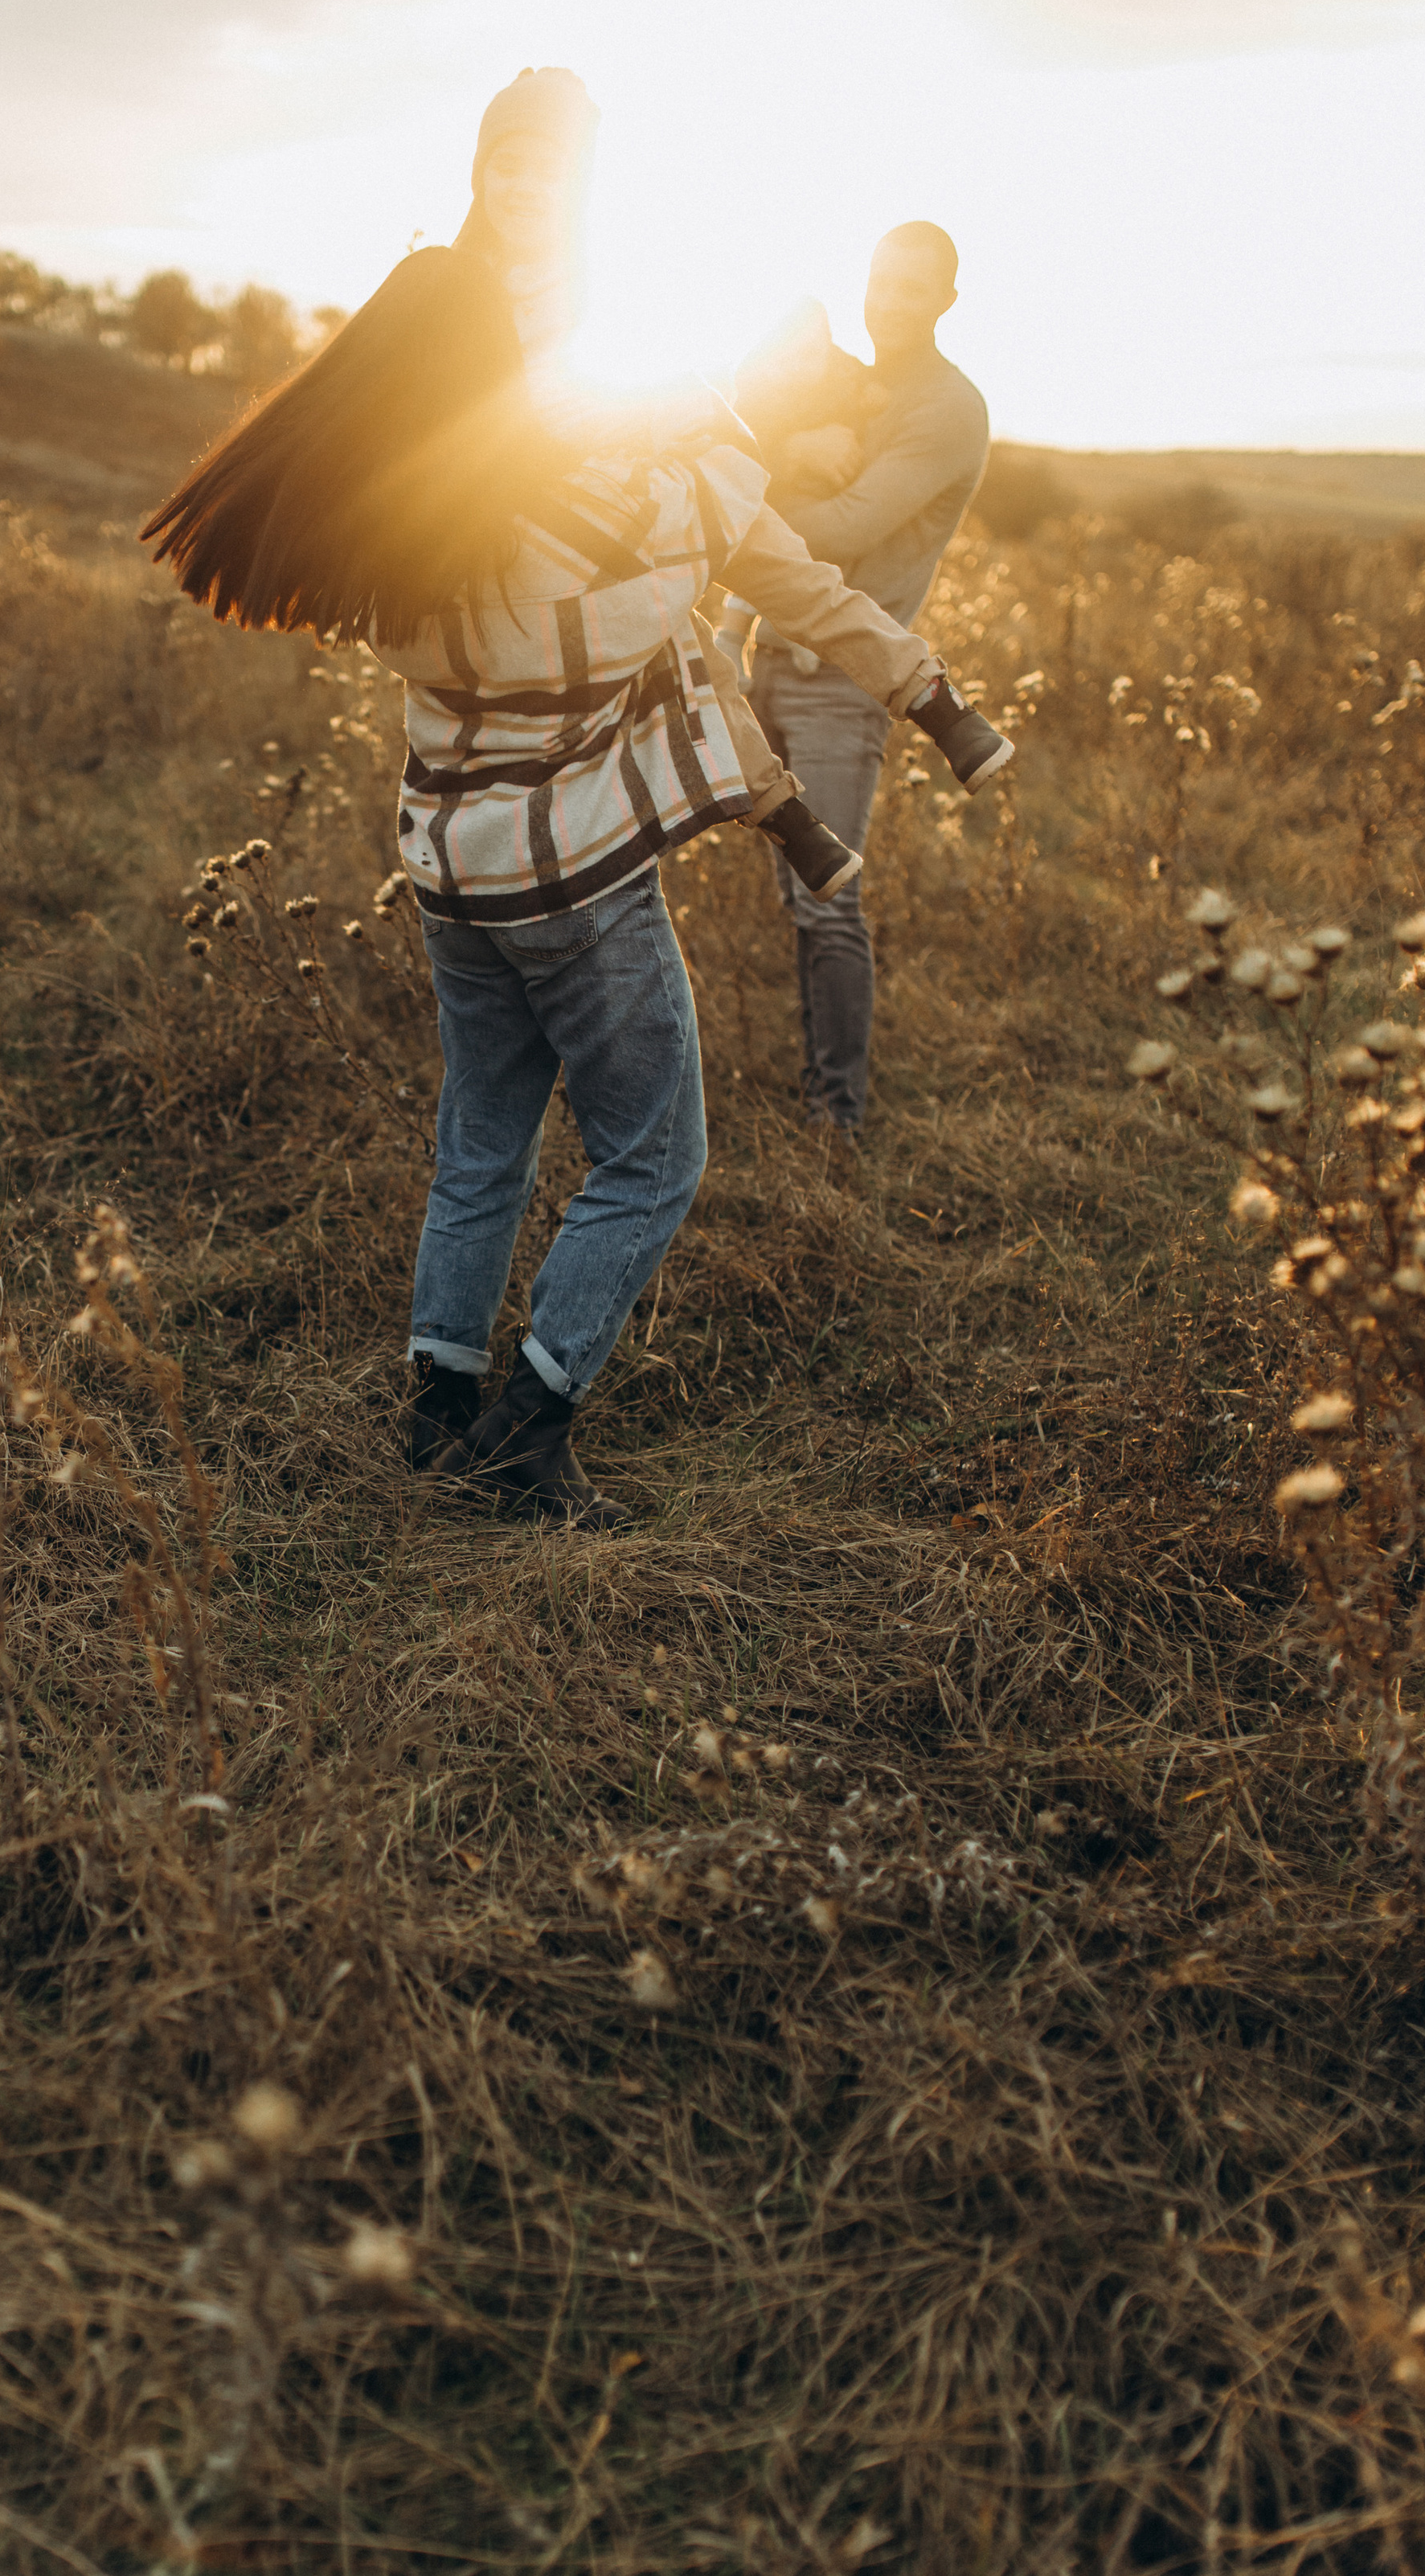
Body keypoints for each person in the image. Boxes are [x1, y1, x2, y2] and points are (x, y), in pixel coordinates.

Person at [142, 80, 1011, 1532]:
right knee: (655, 1156)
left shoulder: (408, 514)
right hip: (572, 878)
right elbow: (784, 582)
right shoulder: (646, 497)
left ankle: (434, 1406)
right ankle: (530, 1429)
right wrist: (921, 683)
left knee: (484, 1131)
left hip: (442, 861)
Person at [726, 223, 1004, 1141]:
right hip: (771, 657)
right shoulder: (848, 376)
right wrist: (780, 458)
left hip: (844, 686)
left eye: (912, 288)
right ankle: (816, 1086)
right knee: (796, 896)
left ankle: (836, 1116)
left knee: (828, 905)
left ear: (946, 300)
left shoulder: (947, 408)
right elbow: (754, 412)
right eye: (881, 281)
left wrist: (732, 513)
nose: (888, 301)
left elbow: (841, 528)